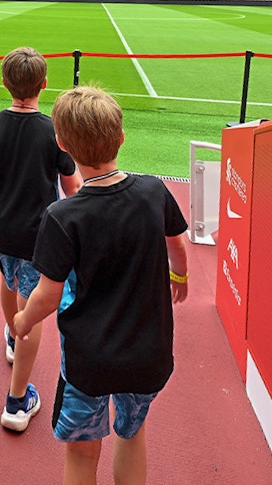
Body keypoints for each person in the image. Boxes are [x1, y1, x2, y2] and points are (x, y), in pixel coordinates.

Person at [12, 86, 189, 485]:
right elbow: (176, 241)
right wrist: (180, 274)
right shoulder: (154, 191)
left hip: (88, 362)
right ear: (122, 137)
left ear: (62, 144)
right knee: (131, 433)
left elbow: (48, 294)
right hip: (148, 356)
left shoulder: (61, 216)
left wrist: (23, 320)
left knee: (81, 450)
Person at [0, 47, 81, 433]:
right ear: (44, 85)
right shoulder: (53, 130)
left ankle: (14, 336)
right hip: (39, 236)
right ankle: (17, 401)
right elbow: (72, 186)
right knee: (31, 309)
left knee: (9, 281)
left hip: (2, 229)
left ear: (5, 83)